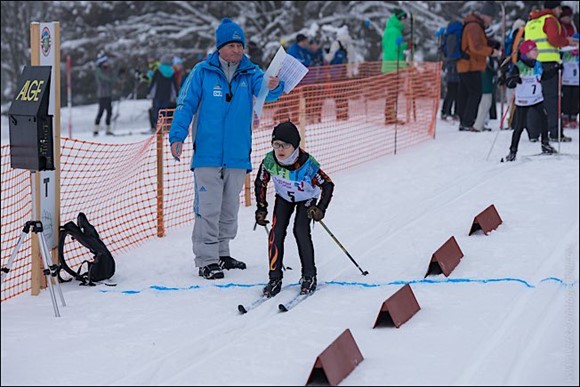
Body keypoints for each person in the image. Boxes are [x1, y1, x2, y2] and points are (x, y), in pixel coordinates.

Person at [168, 18, 284, 280]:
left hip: (236, 155)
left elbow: (268, 92)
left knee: (229, 208)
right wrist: (177, 136)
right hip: (207, 154)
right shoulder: (201, 72)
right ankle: (206, 260)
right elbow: (185, 105)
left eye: (240, 45)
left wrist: (275, 86)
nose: (236, 50)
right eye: (231, 45)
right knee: (208, 207)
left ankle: (222, 252)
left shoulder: (251, 72)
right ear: (220, 47)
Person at [254, 121, 334, 297]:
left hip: (306, 198)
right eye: (276, 144)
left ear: (295, 145)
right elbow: (261, 182)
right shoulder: (269, 161)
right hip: (284, 198)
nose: (280, 149)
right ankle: (274, 278)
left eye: (286, 145)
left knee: (300, 230)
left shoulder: (307, 164)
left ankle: (309, 276)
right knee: (276, 232)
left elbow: (328, 184)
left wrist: (320, 208)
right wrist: (261, 208)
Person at [525, 1, 577, 142]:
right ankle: (555, 133)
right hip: (548, 64)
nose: (560, 11)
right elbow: (554, 40)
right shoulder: (550, 19)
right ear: (555, 7)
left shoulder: (531, 21)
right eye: (559, 8)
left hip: (533, 64)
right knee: (552, 99)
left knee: (534, 98)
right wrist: (567, 41)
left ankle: (533, 133)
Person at [503, 40, 557, 162]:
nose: (537, 52)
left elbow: (543, 77)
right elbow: (509, 83)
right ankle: (512, 151)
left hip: (537, 99)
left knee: (544, 120)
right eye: (534, 50)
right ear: (527, 52)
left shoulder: (538, 64)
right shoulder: (518, 66)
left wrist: (555, 70)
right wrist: (514, 80)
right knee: (519, 127)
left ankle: (545, 144)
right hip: (523, 101)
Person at [456, 2, 502, 132]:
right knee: (475, 94)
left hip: (467, 65)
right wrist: (492, 52)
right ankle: (468, 122)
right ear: (486, 16)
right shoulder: (474, 26)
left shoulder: (475, 25)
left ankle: (464, 121)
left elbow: (479, 42)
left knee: (466, 94)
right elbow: (475, 46)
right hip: (471, 65)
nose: (491, 21)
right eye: (491, 18)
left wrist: (492, 44)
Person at [382, 8, 409, 125]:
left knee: (391, 92)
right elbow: (393, 52)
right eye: (404, 20)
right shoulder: (394, 31)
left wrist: (405, 45)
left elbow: (392, 48)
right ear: (400, 19)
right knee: (393, 93)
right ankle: (390, 116)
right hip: (393, 67)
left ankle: (390, 115)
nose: (405, 23)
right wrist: (403, 64)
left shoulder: (389, 30)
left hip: (388, 65)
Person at [325, 26, 357, 121]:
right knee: (344, 95)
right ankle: (344, 114)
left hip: (336, 74)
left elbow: (330, 57)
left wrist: (325, 58)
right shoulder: (350, 45)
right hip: (345, 74)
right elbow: (352, 60)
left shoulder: (336, 43)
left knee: (337, 95)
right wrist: (350, 74)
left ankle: (339, 115)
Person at [559, 6, 579, 129]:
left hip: (576, 73)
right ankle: (565, 115)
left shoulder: (573, 26)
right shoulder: (560, 26)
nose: (568, 19)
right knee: (565, 95)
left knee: (575, 96)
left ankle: (573, 116)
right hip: (566, 70)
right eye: (566, 16)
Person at [148, 55, 178, 132]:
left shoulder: (158, 71)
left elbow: (153, 83)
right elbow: (174, 85)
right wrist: (176, 95)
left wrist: (150, 92)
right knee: (164, 111)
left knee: (156, 110)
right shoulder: (172, 72)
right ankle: (163, 126)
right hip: (167, 95)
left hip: (157, 94)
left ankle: (156, 126)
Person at [93, 53, 118, 136]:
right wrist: (113, 77)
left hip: (108, 94)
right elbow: (107, 79)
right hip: (102, 94)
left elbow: (112, 80)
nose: (107, 64)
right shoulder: (99, 71)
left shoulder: (107, 70)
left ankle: (108, 130)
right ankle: (95, 130)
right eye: (105, 62)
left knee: (109, 112)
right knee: (101, 111)